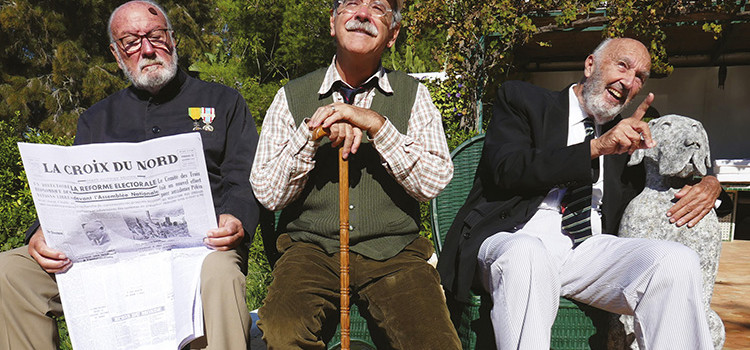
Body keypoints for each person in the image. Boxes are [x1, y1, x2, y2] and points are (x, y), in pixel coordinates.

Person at [436, 37, 730, 349]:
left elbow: (667, 170)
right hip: (512, 236)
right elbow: (508, 170)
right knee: (528, 255)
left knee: (675, 261)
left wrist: (710, 182)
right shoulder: (524, 100)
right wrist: (595, 148)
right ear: (590, 65)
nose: (629, 81)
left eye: (640, 77)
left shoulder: (626, 134)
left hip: (585, 249)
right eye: (623, 65)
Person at [0, 1, 259, 349]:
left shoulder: (224, 101)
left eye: (155, 36)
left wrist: (236, 219)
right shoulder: (96, 119)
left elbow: (244, 177)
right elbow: (70, 194)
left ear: (173, 39)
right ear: (116, 52)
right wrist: (40, 231)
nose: (147, 49)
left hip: (200, 250)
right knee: (10, 272)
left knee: (222, 273)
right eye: (131, 41)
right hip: (110, 257)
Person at [250, 0, 461, 348]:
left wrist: (378, 126)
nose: (362, 14)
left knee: (435, 343)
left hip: (395, 252)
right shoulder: (291, 96)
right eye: (351, 4)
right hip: (311, 251)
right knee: (283, 332)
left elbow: (433, 182)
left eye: (377, 7)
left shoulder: (414, 96)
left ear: (392, 34)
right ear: (333, 22)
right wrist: (312, 134)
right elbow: (269, 193)